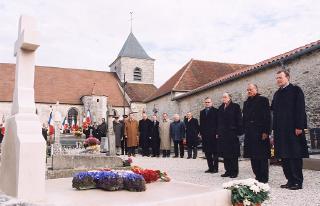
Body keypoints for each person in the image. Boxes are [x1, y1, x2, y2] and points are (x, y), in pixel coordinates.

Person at [271, 70, 309, 190]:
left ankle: (297, 181)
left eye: (280, 77)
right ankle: (290, 180)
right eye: (277, 78)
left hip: (293, 129)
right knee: (284, 156)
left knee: (295, 155)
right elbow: (273, 111)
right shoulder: (277, 94)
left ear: (287, 77)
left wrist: (299, 126)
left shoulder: (296, 90)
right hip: (280, 131)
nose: (278, 80)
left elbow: (300, 109)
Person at [243, 84, 271, 183]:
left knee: (262, 156)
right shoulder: (246, 103)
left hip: (260, 132)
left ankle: (264, 177)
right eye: (248, 90)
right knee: (253, 156)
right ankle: (257, 175)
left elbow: (267, 117)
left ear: (256, 89)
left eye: (251, 89)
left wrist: (266, 132)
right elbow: (244, 118)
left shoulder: (263, 100)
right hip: (250, 133)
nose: (249, 91)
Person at [218, 93, 243, 178]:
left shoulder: (235, 106)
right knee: (225, 153)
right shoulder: (221, 108)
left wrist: (238, 131)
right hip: (223, 134)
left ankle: (234, 172)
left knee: (233, 153)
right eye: (223, 97)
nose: (223, 98)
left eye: (225, 97)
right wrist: (218, 132)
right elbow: (219, 121)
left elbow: (239, 119)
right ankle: (227, 170)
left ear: (229, 98)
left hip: (232, 133)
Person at [200, 97, 219, 173]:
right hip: (205, 135)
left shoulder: (216, 111)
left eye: (208, 102)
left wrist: (217, 133)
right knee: (207, 152)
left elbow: (218, 123)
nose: (207, 103)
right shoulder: (202, 112)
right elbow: (201, 124)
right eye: (206, 102)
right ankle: (210, 167)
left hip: (213, 135)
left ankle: (215, 168)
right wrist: (201, 133)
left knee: (215, 152)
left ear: (211, 103)